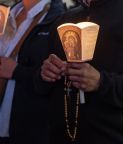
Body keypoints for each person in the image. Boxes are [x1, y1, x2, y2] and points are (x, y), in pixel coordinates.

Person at [34, 0, 123, 144]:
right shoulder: (64, 20)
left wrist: (101, 82)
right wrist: (45, 74)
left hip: (116, 137)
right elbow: (40, 85)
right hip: (61, 135)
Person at [0, 0, 65, 144]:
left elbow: (61, 80)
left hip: (26, 129)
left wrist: (17, 71)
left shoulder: (59, 18)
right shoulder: (8, 12)